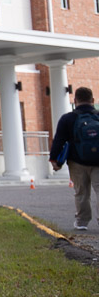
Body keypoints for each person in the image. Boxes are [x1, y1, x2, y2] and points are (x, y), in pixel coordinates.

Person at [51, 86, 99, 231]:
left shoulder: (68, 118)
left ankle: (82, 221)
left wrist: (55, 160)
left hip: (76, 162)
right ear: (93, 100)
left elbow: (59, 140)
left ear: (75, 100)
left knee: (81, 192)